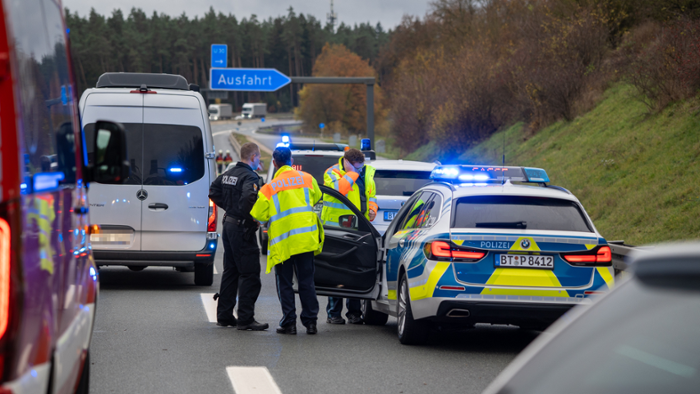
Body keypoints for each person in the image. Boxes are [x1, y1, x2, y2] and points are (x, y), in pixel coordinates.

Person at [250, 146, 324, 335]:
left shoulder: (269, 188)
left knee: (285, 283)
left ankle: (289, 323)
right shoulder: (307, 179)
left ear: (274, 163)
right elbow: (317, 197)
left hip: (284, 244)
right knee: (306, 281)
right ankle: (311, 323)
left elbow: (258, 215)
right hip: (305, 239)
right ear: (291, 160)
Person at [209, 142, 269, 331]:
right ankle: (245, 318)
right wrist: (251, 217)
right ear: (253, 157)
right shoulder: (250, 176)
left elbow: (213, 191)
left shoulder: (228, 174)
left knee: (231, 271)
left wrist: (230, 208)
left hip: (228, 225)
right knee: (249, 274)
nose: (259, 160)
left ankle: (224, 315)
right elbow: (248, 198)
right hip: (242, 228)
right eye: (259, 157)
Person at [321, 148, 377, 324]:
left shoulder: (366, 174)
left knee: (356, 270)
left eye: (361, 167)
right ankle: (334, 313)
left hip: (359, 228)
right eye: (356, 167)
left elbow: (371, 195)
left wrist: (373, 207)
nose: (359, 170)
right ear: (346, 162)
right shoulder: (332, 173)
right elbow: (341, 189)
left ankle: (354, 312)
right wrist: (353, 173)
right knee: (335, 271)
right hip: (336, 229)